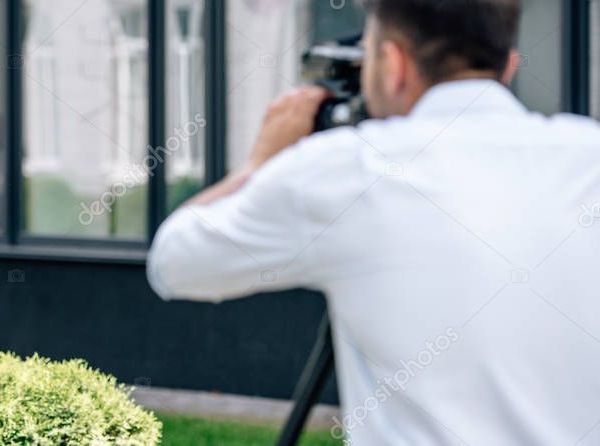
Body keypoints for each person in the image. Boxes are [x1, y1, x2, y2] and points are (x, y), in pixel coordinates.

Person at [147, 0, 600, 444]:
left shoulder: (349, 169)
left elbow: (173, 262)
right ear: (509, 67)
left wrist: (258, 165)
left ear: (392, 64)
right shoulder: (588, 154)